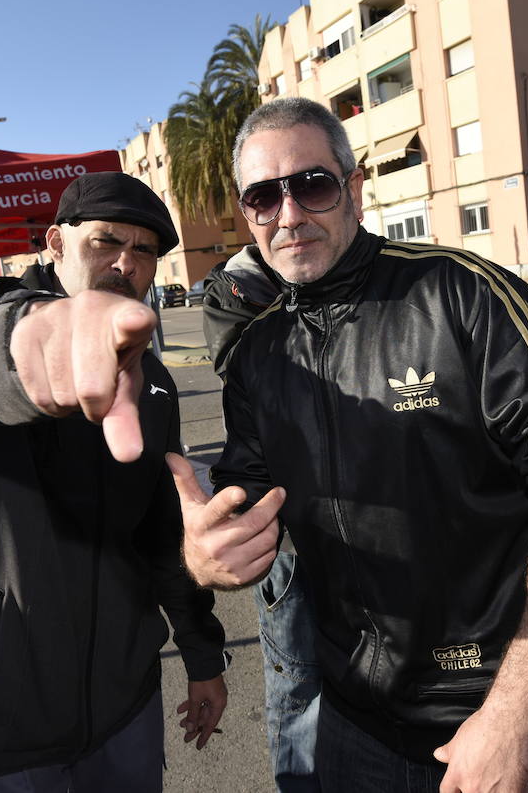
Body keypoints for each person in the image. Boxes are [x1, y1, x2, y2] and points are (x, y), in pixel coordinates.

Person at [176, 97, 528, 793]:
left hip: (497, 723)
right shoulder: (258, 353)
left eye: (312, 185)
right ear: (247, 215)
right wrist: (207, 554)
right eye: (264, 197)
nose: (289, 214)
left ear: (355, 189)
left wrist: (511, 718)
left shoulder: (465, 293)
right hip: (354, 727)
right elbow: (249, 507)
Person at [0, 171, 229, 791]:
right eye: (106, 241)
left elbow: (159, 533)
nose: (125, 262)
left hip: (123, 708)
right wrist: (26, 344)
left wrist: (204, 656)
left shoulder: (152, 381)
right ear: (56, 243)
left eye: (145, 250)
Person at [201, 246, 322, 793]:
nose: (290, 216)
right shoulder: (238, 290)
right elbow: (277, 382)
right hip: (285, 542)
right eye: (266, 204)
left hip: (356, 532)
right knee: (299, 686)